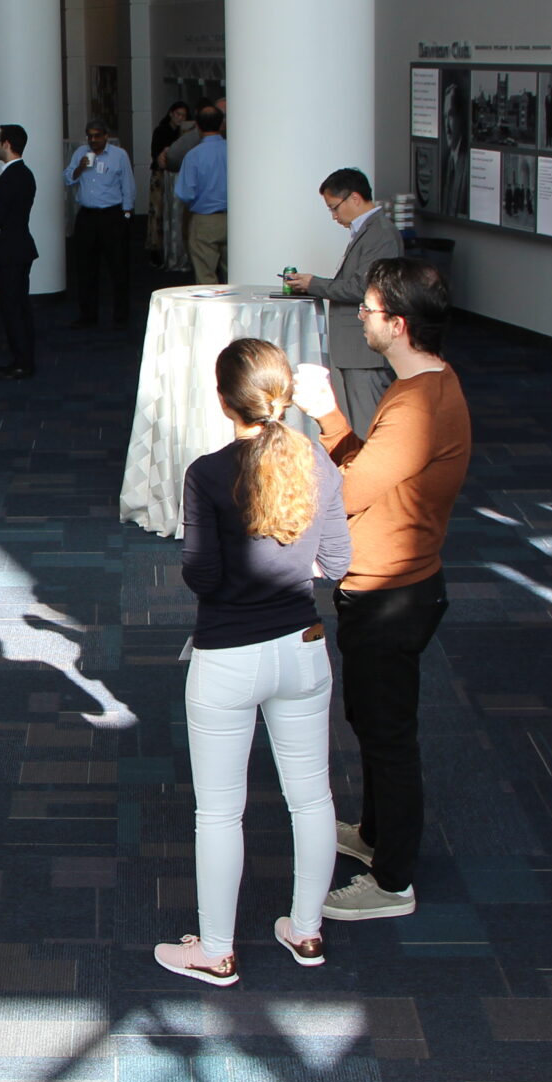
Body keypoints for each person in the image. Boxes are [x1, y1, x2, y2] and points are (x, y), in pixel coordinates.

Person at [155, 340, 351, 989]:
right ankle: (306, 928)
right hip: (303, 648)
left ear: (222, 400)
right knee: (311, 796)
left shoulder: (208, 473)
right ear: (285, 395)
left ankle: (217, 950)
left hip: (228, 659)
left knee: (219, 811)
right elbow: (341, 563)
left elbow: (202, 576)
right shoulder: (318, 460)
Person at [291, 258, 471, 923]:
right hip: (395, 580)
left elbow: (351, 490)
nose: (360, 319)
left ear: (396, 324)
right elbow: (369, 469)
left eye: (366, 311)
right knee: (371, 719)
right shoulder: (425, 383)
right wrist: (335, 423)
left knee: (388, 732)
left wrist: (322, 413)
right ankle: (373, 836)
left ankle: (393, 880)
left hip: (392, 591)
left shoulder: (420, 403)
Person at [289, 167, 406, 429]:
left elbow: (363, 288)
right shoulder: (369, 231)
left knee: (367, 425)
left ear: (355, 198)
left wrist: (314, 284)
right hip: (353, 349)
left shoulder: (381, 234)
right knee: (354, 423)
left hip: (363, 352)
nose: (333, 216)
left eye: (334, 207)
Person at [0, 125, 40, 381]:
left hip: (10, 251)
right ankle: (25, 357)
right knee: (20, 306)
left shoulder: (9, 177)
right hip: (21, 248)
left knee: (12, 308)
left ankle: (21, 362)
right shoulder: (25, 174)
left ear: (6, 144)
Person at [64, 120, 135, 328]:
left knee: (118, 267)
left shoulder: (119, 155)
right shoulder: (80, 154)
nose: (93, 140)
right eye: (89, 136)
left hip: (112, 216)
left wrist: (127, 213)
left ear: (106, 136)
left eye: (97, 136)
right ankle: (88, 315)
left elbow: (128, 185)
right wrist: (79, 168)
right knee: (85, 268)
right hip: (87, 216)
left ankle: (121, 317)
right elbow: (67, 179)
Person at [172, 106, 231, 284]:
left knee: (206, 278)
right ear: (222, 124)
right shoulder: (235, 151)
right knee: (236, 277)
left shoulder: (193, 156)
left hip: (204, 219)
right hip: (235, 220)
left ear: (197, 125)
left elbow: (185, 193)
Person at [148, 99, 194, 273]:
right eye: (178, 114)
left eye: (183, 115)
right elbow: (155, 154)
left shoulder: (184, 134)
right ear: (171, 113)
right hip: (161, 175)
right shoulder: (161, 131)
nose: (180, 118)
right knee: (157, 212)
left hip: (176, 174)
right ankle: (156, 250)